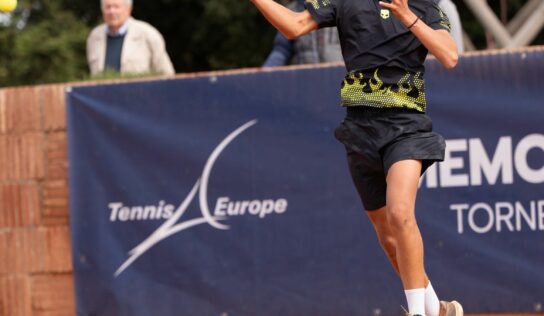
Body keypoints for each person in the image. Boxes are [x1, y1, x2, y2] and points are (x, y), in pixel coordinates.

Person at [250, 0, 461, 315]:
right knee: (389, 237)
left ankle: (418, 313)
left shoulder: (423, 3)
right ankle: (436, 308)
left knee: (400, 214)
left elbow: (449, 55)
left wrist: (407, 15)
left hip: (406, 126)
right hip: (360, 130)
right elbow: (293, 27)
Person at [86, 0, 175, 76]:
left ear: (128, 9)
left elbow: (166, 74)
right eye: (108, 7)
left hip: (140, 95)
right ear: (102, 10)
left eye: (116, 7)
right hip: (101, 95)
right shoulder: (94, 37)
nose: (112, 11)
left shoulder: (148, 34)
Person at [262, 0, 342, 67]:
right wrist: (264, 74)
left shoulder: (342, 5)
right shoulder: (290, 11)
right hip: (306, 79)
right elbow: (282, 50)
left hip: (342, 79)